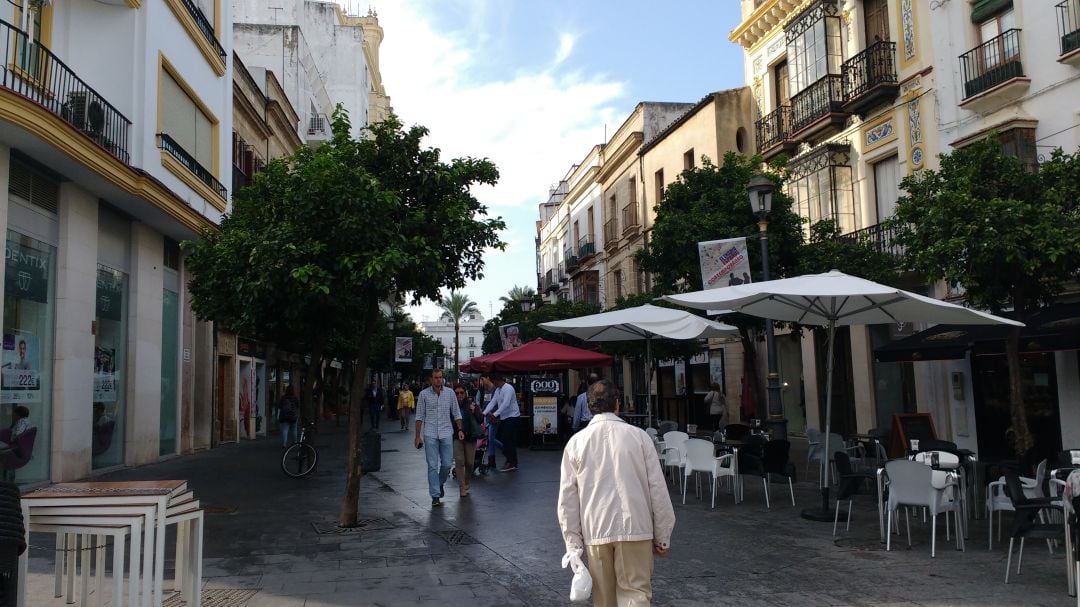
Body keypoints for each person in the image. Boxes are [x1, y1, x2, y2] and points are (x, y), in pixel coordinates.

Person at [557, 379, 675, 607]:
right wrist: (663, 536)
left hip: (596, 530)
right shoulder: (640, 437)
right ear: (617, 404)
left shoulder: (576, 443)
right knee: (636, 595)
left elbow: (567, 501)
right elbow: (658, 490)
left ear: (590, 406)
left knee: (604, 599)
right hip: (636, 528)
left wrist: (573, 544)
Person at [415, 369, 464, 507]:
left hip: (446, 432)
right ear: (431, 379)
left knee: (447, 464)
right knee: (432, 466)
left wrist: (460, 429)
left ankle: (440, 483)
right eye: (436, 378)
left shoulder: (450, 393)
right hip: (430, 433)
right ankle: (435, 496)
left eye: (440, 378)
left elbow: (456, 413)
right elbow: (419, 417)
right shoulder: (423, 395)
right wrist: (417, 436)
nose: (438, 380)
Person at [453, 383, 484, 496]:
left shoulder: (471, 404)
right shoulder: (451, 405)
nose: (459, 395)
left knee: (470, 463)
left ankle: (466, 480)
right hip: (456, 437)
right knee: (459, 461)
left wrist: (475, 410)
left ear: (465, 393)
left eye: (462, 392)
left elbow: (481, 419)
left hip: (470, 437)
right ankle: (462, 487)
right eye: (457, 393)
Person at [487, 372, 520, 471]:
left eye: (493, 382)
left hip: (512, 417)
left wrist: (495, 414)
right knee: (505, 439)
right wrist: (485, 412)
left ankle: (511, 462)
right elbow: (493, 402)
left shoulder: (508, 388)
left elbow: (505, 404)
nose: (493, 384)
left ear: (497, 381)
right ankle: (511, 460)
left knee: (507, 439)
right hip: (504, 418)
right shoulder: (498, 390)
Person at [478, 374, 502, 470]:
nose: (481, 382)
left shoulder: (495, 390)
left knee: (490, 438)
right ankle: (492, 460)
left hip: (494, 417)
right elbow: (485, 403)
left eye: (482, 379)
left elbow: (497, 403)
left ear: (488, 378)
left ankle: (505, 449)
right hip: (487, 416)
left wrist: (494, 414)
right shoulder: (485, 390)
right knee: (489, 439)